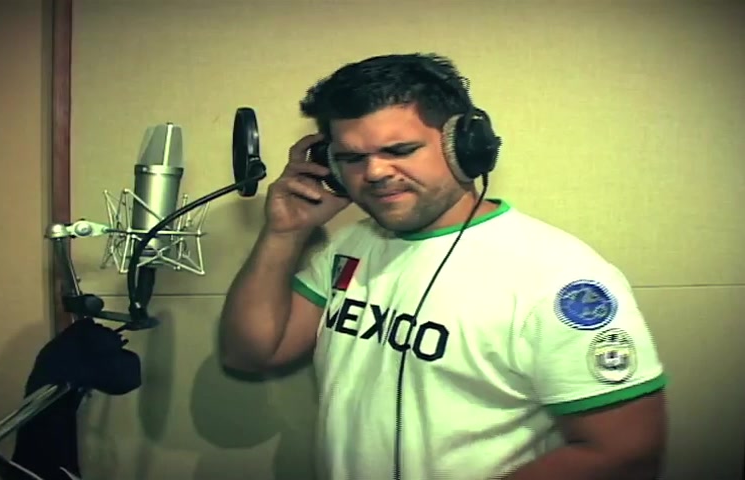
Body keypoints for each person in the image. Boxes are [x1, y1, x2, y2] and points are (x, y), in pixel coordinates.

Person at [218, 52, 668, 480]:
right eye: (352, 158)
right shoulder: (351, 246)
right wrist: (284, 232)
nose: (374, 173)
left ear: (464, 146)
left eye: (400, 149)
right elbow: (254, 353)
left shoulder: (557, 276)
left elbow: (624, 455)